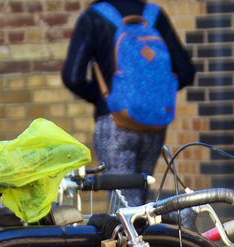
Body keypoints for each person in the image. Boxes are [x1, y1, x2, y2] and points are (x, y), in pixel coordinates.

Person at [61, 1, 195, 206]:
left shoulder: (94, 17)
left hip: (115, 123)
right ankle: (144, 237)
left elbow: (72, 77)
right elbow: (186, 71)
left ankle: (133, 238)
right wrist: (151, 96)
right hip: (153, 123)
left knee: (124, 205)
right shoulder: (154, 15)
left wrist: (107, 100)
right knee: (141, 199)